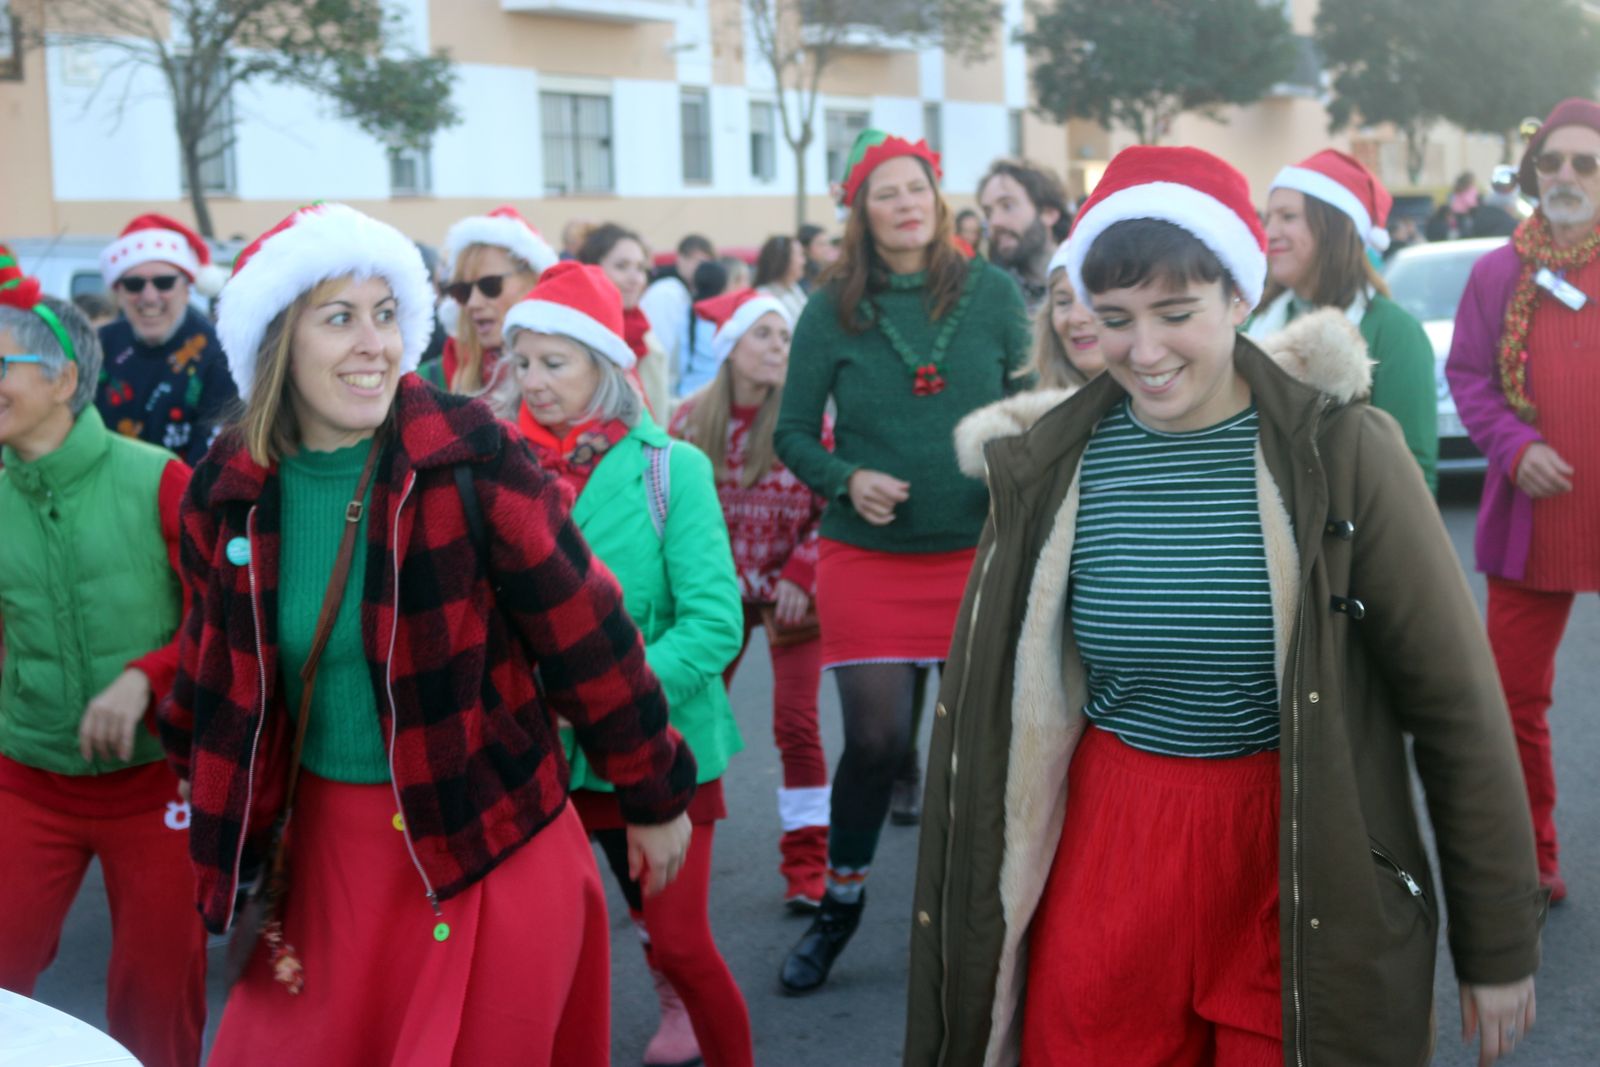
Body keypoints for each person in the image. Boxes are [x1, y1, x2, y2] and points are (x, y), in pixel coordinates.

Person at [906, 145, 1546, 1067]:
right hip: (1111, 850)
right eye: (1114, 318)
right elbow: (990, 712)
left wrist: (1497, 944)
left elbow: (1457, 708)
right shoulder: (1051, 469)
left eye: (1176, 313)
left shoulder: (1346, 455)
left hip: (1296, 844)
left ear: (1239, 298)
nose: (1145, 350)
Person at [161, 204, 696, 1066]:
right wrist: (220, 835)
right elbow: (213, 681)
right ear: (275, 344)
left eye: (385, 314)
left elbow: (586, 629)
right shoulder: (223, 492)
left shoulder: (466, 454)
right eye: (339, 317)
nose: (375, 342)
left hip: (485, 833)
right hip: (327, 861)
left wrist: (653, 790)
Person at [774, 127, 1032, 994]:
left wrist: (1012, 462)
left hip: (979, 552)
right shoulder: (828, 307)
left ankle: (985, 921)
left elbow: (1030, 405)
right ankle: (839, 911)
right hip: (869, 554)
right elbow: (793, 433)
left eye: (915, 185)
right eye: (885, 191)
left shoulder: (994, 294)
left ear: (937, 191)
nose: (905, 202)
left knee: (978, 747)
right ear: (861, 209)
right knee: (877, 740)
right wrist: (848, 477)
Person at [502, 262, 752, 1067]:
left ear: (604, 368)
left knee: (677, 947)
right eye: (524, 362)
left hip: (660, 749)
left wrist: (609, 695)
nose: (533, 382)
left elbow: (714, 624)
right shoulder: (502, 473)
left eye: (556, 362)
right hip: (543, 759)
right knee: (548, 957)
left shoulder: (668, 468)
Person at [0, 249, 206, 1067]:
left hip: (156, 785)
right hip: (27, 778)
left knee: (156, 1002)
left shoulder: (158, 479)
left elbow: (227, 619)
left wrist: (143, 678)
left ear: (60, 378)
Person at [1446, 96, 1600, 907]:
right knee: (1511, 701)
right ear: (1535, 172)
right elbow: (1468, 377)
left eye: (1586, 162)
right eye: (1554, 161)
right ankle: (1531, 856)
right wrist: (1514, 445)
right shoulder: (1497, 271)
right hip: (1534, 519)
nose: (1568, 175)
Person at [670, 289, 831, 913]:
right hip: (716, 596)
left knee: (796, 726)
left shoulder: (807, 421)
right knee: (689, 720)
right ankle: (671, 849)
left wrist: (802, 569)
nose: (777, 348)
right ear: (730, 347)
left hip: (791, 596)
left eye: (784, 337)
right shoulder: (687, 421)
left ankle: (807, 865)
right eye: (763, 335)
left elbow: (834, 504)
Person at [1248, 149, 1439, 492]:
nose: (1269, 232)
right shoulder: (1253, 322)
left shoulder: (1394, 332)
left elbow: (1413, 473)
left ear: (1334, 228)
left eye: (1288, 217)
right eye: (1269, 218)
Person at [96, 213, 237, 465]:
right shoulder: (98, 347)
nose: (149, 297)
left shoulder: (220, 355)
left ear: (187, 288)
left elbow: (213, 462)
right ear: (118, 292)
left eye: (164, 282)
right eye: (134, 284)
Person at [417, 204, 558, 394]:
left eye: (490, 285)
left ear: (534, 280)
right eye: (463, 291)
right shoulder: (426, 384)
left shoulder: (572, 377)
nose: (473, 303)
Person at [576, 222, 670, 418]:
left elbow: (658, 406)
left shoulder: (642, 329)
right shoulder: (575, 334)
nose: (635, 278)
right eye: (622, 266)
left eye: (640, 268)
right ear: (593, 269)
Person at [977, 159, 1073, 315]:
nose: (994, 222)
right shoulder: (988, 295)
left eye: (1007, 206)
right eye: (988, 213)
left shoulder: (1087, 280)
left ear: (1049, 213)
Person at [641, 233, 716, 383]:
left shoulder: (683, 292)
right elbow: (661, 348)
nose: (703, 269)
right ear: (681, 259)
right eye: (699, 262)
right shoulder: (667, 293)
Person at [754, 234, 809, 322]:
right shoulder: (764, 296)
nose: (804, 261)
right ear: (784, 259)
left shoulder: (794, 288)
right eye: (800, 255)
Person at [797, 224, 838, 293]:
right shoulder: (801, 276)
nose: (827, 248)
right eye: (821, 244)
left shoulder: (824, 270)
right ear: (805, 248)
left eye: (828, 244)